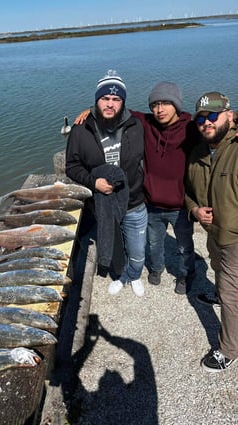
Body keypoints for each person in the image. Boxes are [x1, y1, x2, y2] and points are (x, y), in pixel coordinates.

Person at [75, 82, 197, 295]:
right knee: (154, 244)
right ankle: (157, 269)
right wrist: (90, 110)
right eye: (155, 104)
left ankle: (186, 274)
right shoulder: (145, 123)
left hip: (181, 205)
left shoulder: (191, 129)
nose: (160, 109)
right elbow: (113, 106)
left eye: (166, 103)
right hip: (151, 204)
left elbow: (214, 128)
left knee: (184, 246)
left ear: (177, 105)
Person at [65, 70, 147, 297]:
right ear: (96, 100)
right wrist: (93, 182)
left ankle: (135, 274)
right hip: (103, 204)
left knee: (138, 249)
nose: (110, 104)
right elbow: (71, 166)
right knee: (114, 246)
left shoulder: (138, 125)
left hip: (134, 201)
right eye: (105, 98)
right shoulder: (81, 129)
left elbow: (168, 119)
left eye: (116, 99)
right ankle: (122, 276)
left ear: (123, 102)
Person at [185, 91, 238, 372]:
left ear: (229, 114)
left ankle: (228, 349)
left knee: (232, 295)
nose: (207, 122)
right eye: (201, 118)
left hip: (235, 238)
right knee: (216, 268)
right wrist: (194, 210)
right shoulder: (197, 153)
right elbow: (188, 192)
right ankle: (218, 293)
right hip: (212, 233)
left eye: (213, 116)